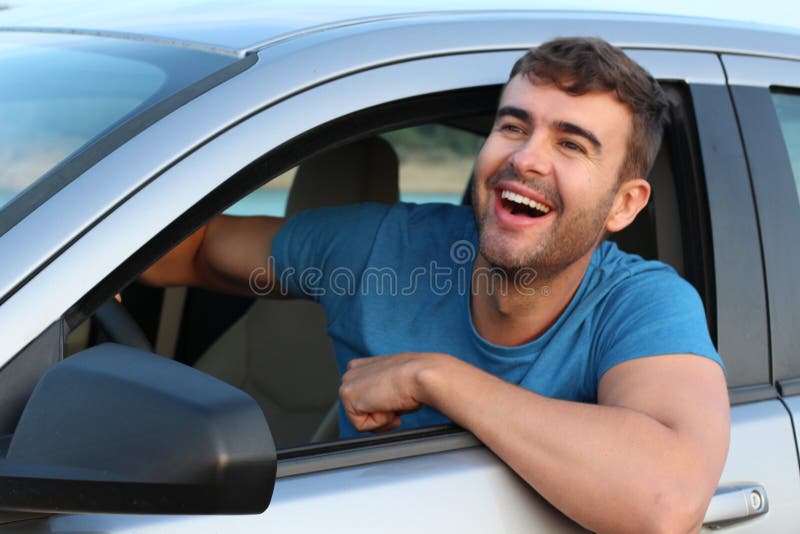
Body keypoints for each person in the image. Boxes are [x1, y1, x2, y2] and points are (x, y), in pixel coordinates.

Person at [142, 37, 729, 533]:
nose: (526, 158)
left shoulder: (643, 302)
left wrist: (434, 377)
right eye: (513, 126)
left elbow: (667, 499)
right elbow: (191, 255)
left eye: (570, 144)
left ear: (624, 205)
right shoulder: (384, 249)